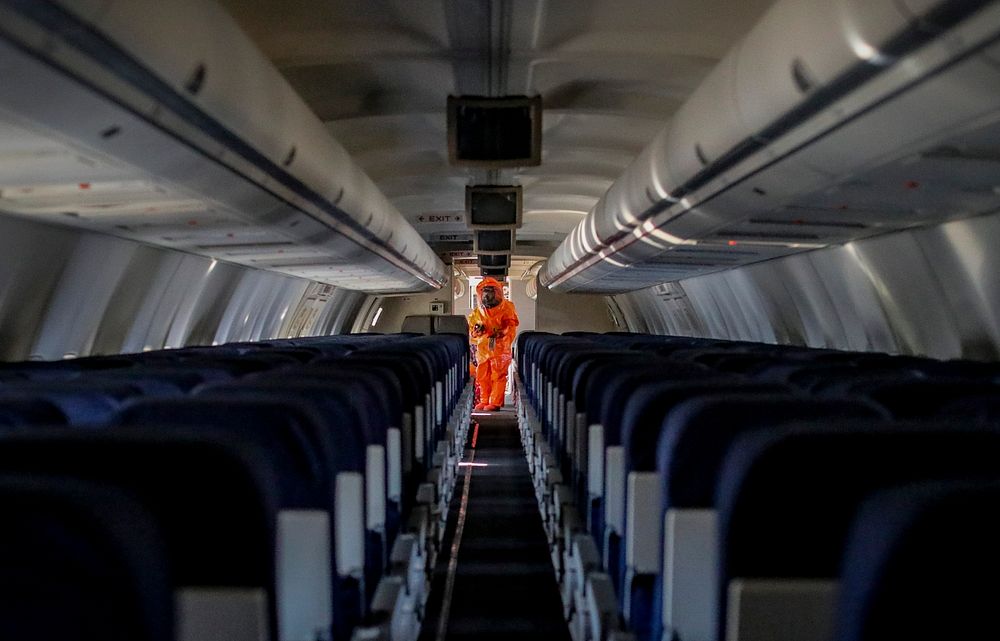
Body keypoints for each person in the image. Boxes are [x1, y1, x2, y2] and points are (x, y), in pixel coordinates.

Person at [468, 277, 519, 411]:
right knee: (483, 376)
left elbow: (511, 325)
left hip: (500, 348)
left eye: (491, 292)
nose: (488, 295)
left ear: (497, 293)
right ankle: (484, 400)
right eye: (485, 292)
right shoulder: (478, 311)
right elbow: (472, 330)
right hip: (483, 349)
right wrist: (477, 330)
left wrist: (502, 333)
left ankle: (495, 402)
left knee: (498, 375)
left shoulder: (507, 307)